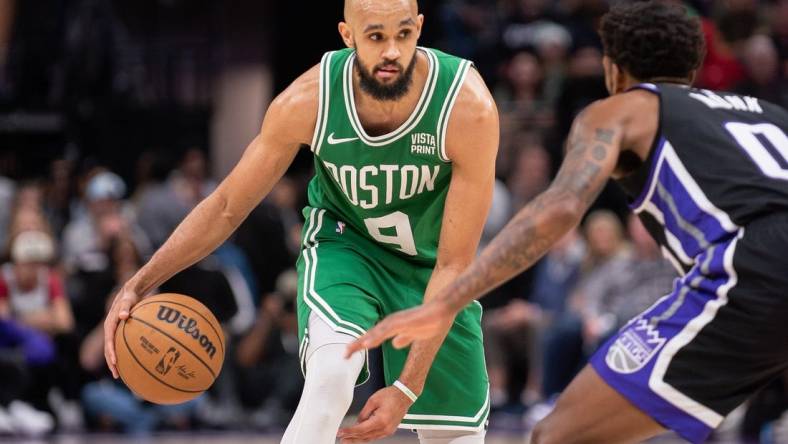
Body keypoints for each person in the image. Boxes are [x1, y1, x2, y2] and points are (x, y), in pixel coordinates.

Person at [347, 3, 788, 444]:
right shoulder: (771, 115)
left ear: (612, 69)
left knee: (556, 435)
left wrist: (445, 303)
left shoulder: (619, 111)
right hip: (764, 267)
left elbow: (559, 208)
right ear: (693, 70)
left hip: (753, 265)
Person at [102, 0, 499, 443]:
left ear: (420, 29)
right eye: (375, 36)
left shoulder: (467, 106)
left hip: (433, 266)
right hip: (347, 249)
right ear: (347, 36)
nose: (391, 51)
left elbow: (454, 265)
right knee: (331, 376)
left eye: (402, 35)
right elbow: (229, 205)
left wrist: (405, 389)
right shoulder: (308, 101)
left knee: (455, 437)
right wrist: (138, 282)